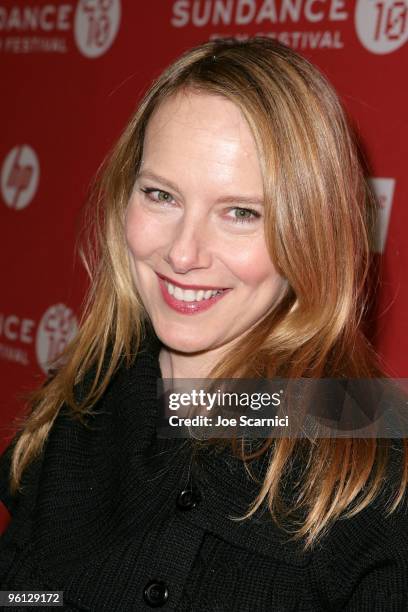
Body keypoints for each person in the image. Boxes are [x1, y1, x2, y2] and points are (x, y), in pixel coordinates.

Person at [0, 36, 407, 611]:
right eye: (161, 196)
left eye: (240, 212)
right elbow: (24, 595)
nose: (184, 253)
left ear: (313, 230)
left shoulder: (375, 462)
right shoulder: (82, 401)